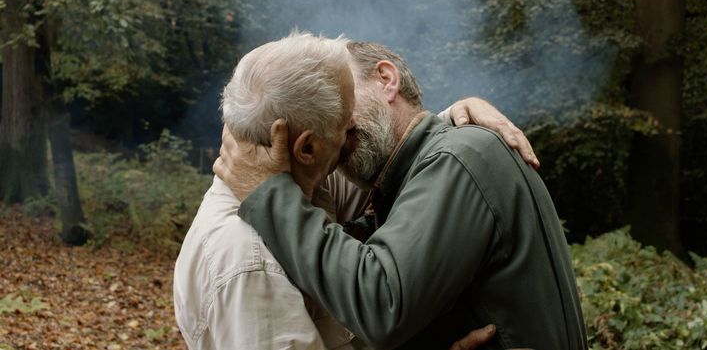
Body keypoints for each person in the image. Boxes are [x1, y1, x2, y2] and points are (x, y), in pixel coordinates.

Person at [215, 41, 588, 349]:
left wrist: (269, 193)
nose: (339, 124)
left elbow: (380, 302)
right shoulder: (422, 172)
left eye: (342, 98)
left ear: (386, 79)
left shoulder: (458, 159)